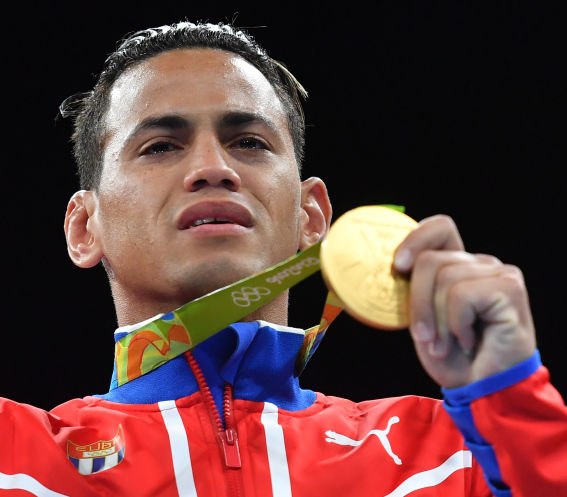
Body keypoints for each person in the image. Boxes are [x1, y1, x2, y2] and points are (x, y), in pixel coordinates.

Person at [1, 20, 565, 497]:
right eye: (160, 146)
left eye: (249, 142)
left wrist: (512, 401)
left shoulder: (446, 457)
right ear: (83, 227)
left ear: (311, 216)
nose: (213, 167)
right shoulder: (17, 460)